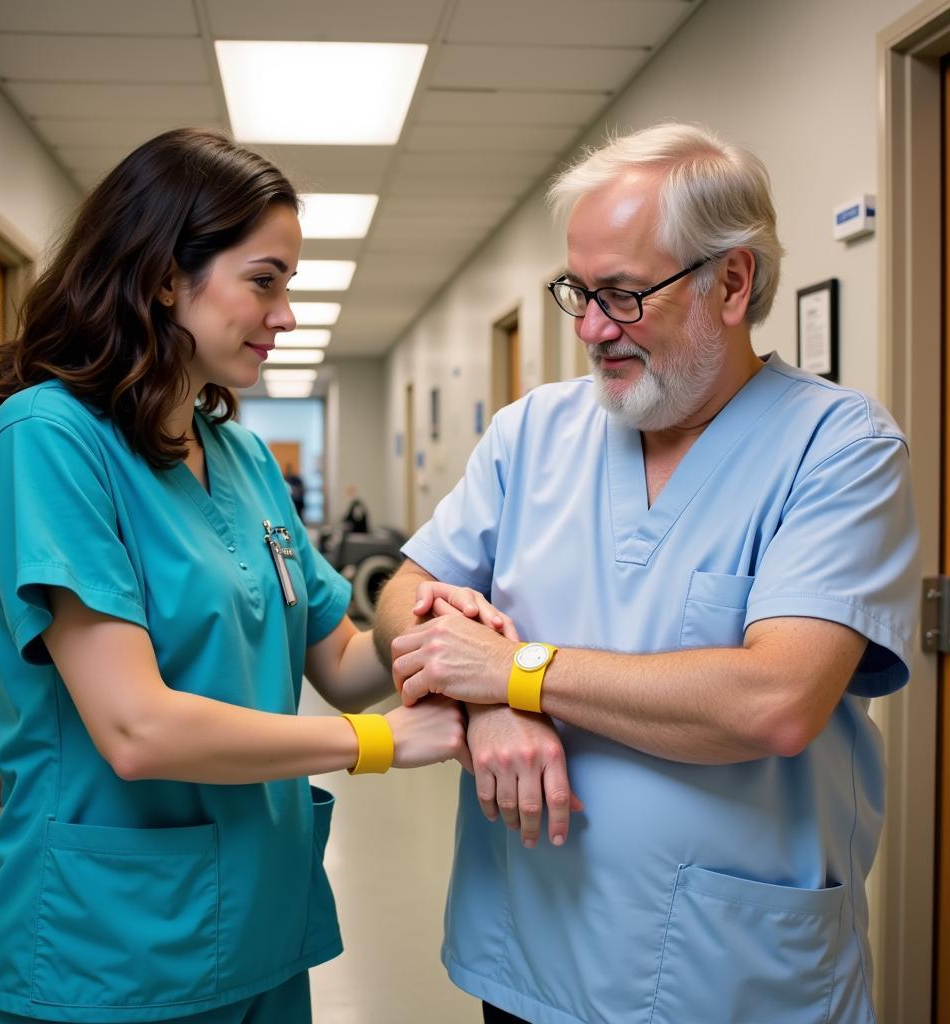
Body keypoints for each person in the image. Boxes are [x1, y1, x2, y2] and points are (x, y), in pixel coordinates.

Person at [374, 123, 920, 1024]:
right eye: (578, 293)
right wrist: (485, 703)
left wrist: (519, 673)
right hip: (527, 951)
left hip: (727, 973)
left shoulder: (839, 449)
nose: (590, 329)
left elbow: (774, 702)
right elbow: (403, 596)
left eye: (623, 296)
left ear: (732, 282)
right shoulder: (532, 433)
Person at [0, 128, 469, 1024]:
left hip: (261, 923)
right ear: (163, 274)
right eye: (264, 280)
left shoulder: (237, 455)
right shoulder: (48, 441)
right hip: (110, 949)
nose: (285, 314)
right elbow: (136, 728)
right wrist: (382, 746)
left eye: (289, 286)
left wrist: (428, 613)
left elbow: (344, 662)